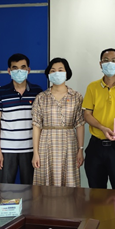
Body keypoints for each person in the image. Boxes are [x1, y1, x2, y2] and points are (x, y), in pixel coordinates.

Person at [82, 48, 115, 190]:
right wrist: (102, 128)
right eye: (106, 60)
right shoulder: (92, 87)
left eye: (114, 60)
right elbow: (87, 114)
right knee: (96, 192)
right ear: (100, 63)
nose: (110, 63)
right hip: (96, 146)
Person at [0, 53, 43, 184]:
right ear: (9, 71)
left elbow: (41, 121)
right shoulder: (1, 92)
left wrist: (38, 151)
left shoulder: (37, 91)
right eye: (15, 68)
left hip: (31, 149)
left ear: (28, 70)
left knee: (31, 189)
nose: (19, 71)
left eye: (23, 67)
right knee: (6, 189)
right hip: (7, 150)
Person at [32, 57, 84, 186]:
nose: (57, 73)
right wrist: (35, 153)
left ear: (67, 72)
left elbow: (80, 124)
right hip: (46, 143)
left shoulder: (76, 96)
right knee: (46, 182)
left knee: (69, 181)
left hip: (69, 143)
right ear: (48, 74)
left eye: (60, 70)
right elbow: (36, 126)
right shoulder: (41, 97)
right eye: (53, 70)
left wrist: (80, 149)